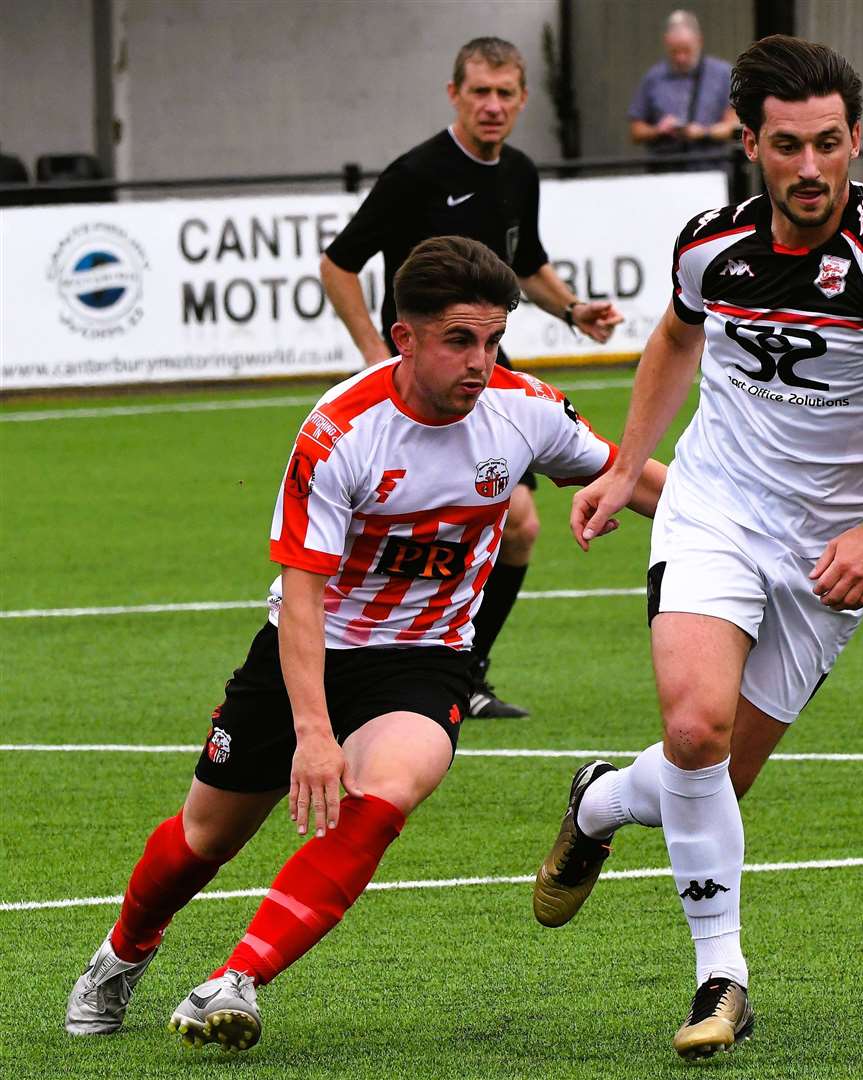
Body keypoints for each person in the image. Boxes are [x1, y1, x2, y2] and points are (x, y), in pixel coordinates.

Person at [64, 237, 665, 1052]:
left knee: (387, 791)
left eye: (492, 341)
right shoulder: (341, 431)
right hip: (307, 651)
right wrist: (313, 732)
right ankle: (123, 952)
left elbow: (635, 478)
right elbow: (303, 594)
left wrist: (738, 541)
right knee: (205, 838)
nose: (480, 362)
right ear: (402, 335)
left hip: (424, 659)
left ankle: (235, 979)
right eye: (459, 340)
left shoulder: (524, 410)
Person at [531, 35, 863, 1060]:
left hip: (829, 555)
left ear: (854, 139)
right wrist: (626, 466)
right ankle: (722, 978)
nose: (809, 169)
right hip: (714, 510)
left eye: (828, 144)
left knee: (716, 781)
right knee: (696, 731)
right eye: (786, 146)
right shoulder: (712, 246)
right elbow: (673, 337)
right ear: (750, 143)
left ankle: (603, 800)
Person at [321, 36, 624, 719]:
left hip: (486, 365)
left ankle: (464, 668)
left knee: (518, 528)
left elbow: (523, 264)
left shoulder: (517, 171)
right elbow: (338, 264)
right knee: (497, 517)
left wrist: (573, 308)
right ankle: (373, 650)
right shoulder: (416, 174)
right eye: (479, 92)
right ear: (453, 94)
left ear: (522, 99)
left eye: (505, 93)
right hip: (418, 372)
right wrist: (375, 353)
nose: (492, 106)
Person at [627, 10, 739, 168]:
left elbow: (734, 126)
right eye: (675, 52)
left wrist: (704, 132)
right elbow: (635, 131)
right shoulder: (653, 78)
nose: (681, 58)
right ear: (666, 42)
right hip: (665, 171)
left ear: (699, 41)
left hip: (711, 171)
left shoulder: (722, 74)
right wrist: (658, 130)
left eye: (687, 50)